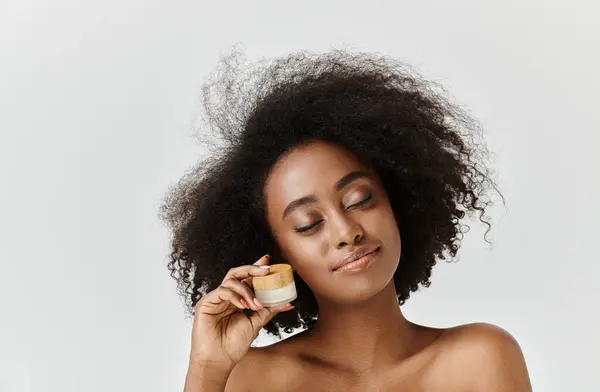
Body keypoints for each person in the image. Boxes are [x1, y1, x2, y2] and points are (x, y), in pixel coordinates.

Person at [159, 49, 532, 391]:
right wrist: (207, 367)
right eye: (308, 224)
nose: (346, 231)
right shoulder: (251, 378)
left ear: (397, 201)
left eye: (360, 199)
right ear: (275, 254)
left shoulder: (481, 359)